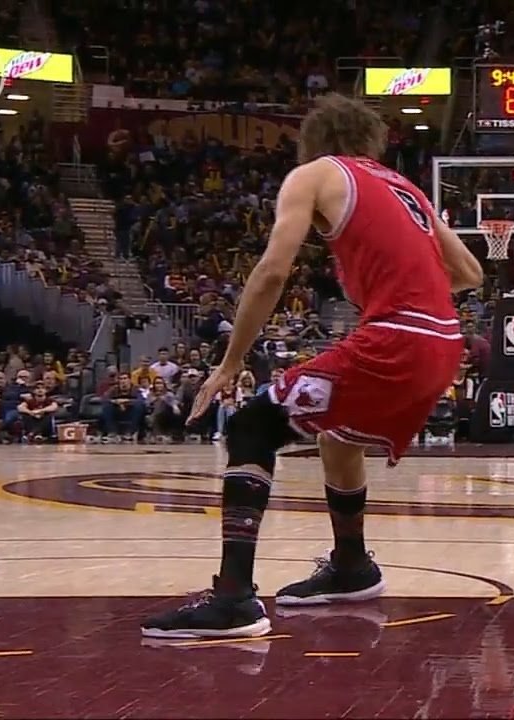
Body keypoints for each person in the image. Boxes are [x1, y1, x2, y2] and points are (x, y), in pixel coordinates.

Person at [141, 93, 483, 639]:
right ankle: (352, 565)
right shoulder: (405, 188)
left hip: (399, 338)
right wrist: (395, 288)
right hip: (444, 341)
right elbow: (468, 271)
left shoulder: (314, 175)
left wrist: (231, 362)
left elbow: (273, 271)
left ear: (313, 141)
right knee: (338, 438)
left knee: (253, 425)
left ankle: (233, 599)